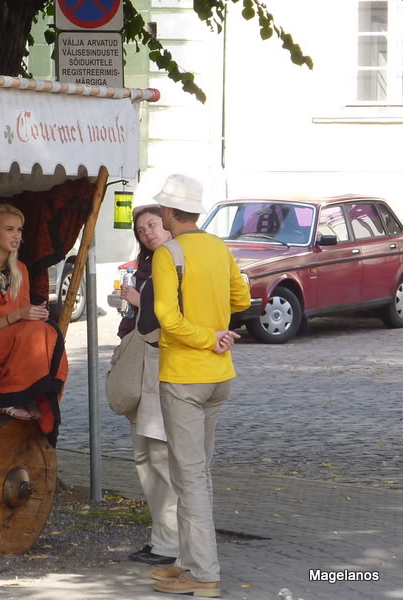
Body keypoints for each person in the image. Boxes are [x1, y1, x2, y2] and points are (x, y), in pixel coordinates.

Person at [147, 174, 250, 598]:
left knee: (188, 476)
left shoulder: (167, 253)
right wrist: (218, 332)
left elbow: (167, 319)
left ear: (171, 213)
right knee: (194, 471)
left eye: (162, 210)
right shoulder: (218, 247)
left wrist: (207, 336)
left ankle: (203, 573)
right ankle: (188, 560)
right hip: (218, 376)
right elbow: (241, 300)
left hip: (185, 376)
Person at [0, 203, 69, 444]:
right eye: (9, 229)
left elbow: (26, 324)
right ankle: (7, 398)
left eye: (19, 230)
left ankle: (43, 398)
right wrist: (18, 316)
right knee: (36, 331)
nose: (16, 235)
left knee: (48, 330)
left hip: (12, 342)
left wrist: (33, 315)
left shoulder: (20, 270)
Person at [117, 205, 180, 567]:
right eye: (141, 230)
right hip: (142, 362)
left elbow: (170, 315)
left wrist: (141, 303)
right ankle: (162, 537)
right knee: (144, 455)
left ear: (167, 225)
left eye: (153, 225)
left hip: (160, 363)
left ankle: (170, 542)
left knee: (159, 455)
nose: (147, 232)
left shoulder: (174, 262)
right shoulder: (149, 265)